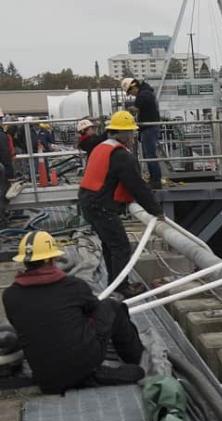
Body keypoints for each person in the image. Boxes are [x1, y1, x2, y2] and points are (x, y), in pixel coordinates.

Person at [2, 231, 145, 394]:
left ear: (24, 262)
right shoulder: (73, 286)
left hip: (47, 380)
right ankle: (138, 358)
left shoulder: (10, 296)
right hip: (85, 367)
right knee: (112, 307)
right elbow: (94, 309)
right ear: (52, 259)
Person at [77, 111, 164, 294]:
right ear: (124, 134)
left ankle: (115, 283)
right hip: (100, 206)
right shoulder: (121, 155)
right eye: (131, 133)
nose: (133, 137)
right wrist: (156, 211)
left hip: (88, 201)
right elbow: (137, 186)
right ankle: (121, 287)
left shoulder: (101, 147)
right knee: (121, 247)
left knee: (110, 245)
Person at [122, 78, 163, 189]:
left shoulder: (144, 94)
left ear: (134, 86)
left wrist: (132, 109)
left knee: (150, 155)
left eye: (130, 92)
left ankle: (156, 181)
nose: (132, 95)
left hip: (149, 128)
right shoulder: (146, 92)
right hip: (148, 128)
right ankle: (154, 179)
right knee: (148, 155)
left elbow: (140, 106)